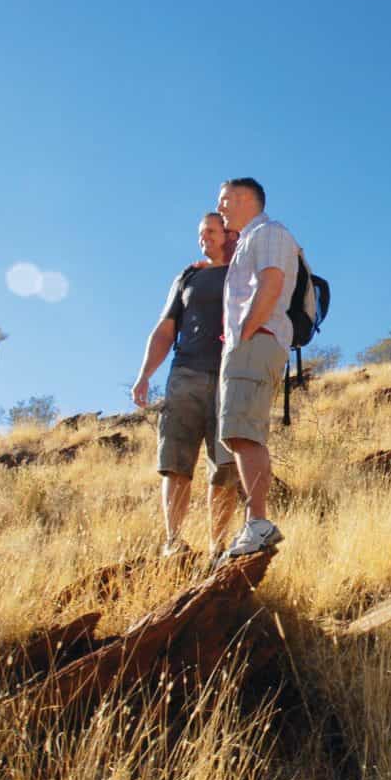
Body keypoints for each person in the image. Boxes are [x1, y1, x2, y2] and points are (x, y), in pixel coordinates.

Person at [131, 212, 242, 559]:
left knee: (225, 467)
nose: (203, 237)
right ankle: (173, 542)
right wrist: (145, 375)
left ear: (229, 234)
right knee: (176, 462)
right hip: (185, 374)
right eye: (200, 233)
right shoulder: (188, 276)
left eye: (210, 231)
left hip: (230, 377)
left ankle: (217, 547)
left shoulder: (244, 273)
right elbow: (165, 329)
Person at [214, 176, 298, 559]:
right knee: (239, 433)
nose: (220, 207)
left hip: (257, 339)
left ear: (246, 199)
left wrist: (246, 333)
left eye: (225, 199)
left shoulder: (268, 232)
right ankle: (255, 523)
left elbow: (271, 283)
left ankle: (258, 522)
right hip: (250, 342)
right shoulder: (251, 238)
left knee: (244, 432)